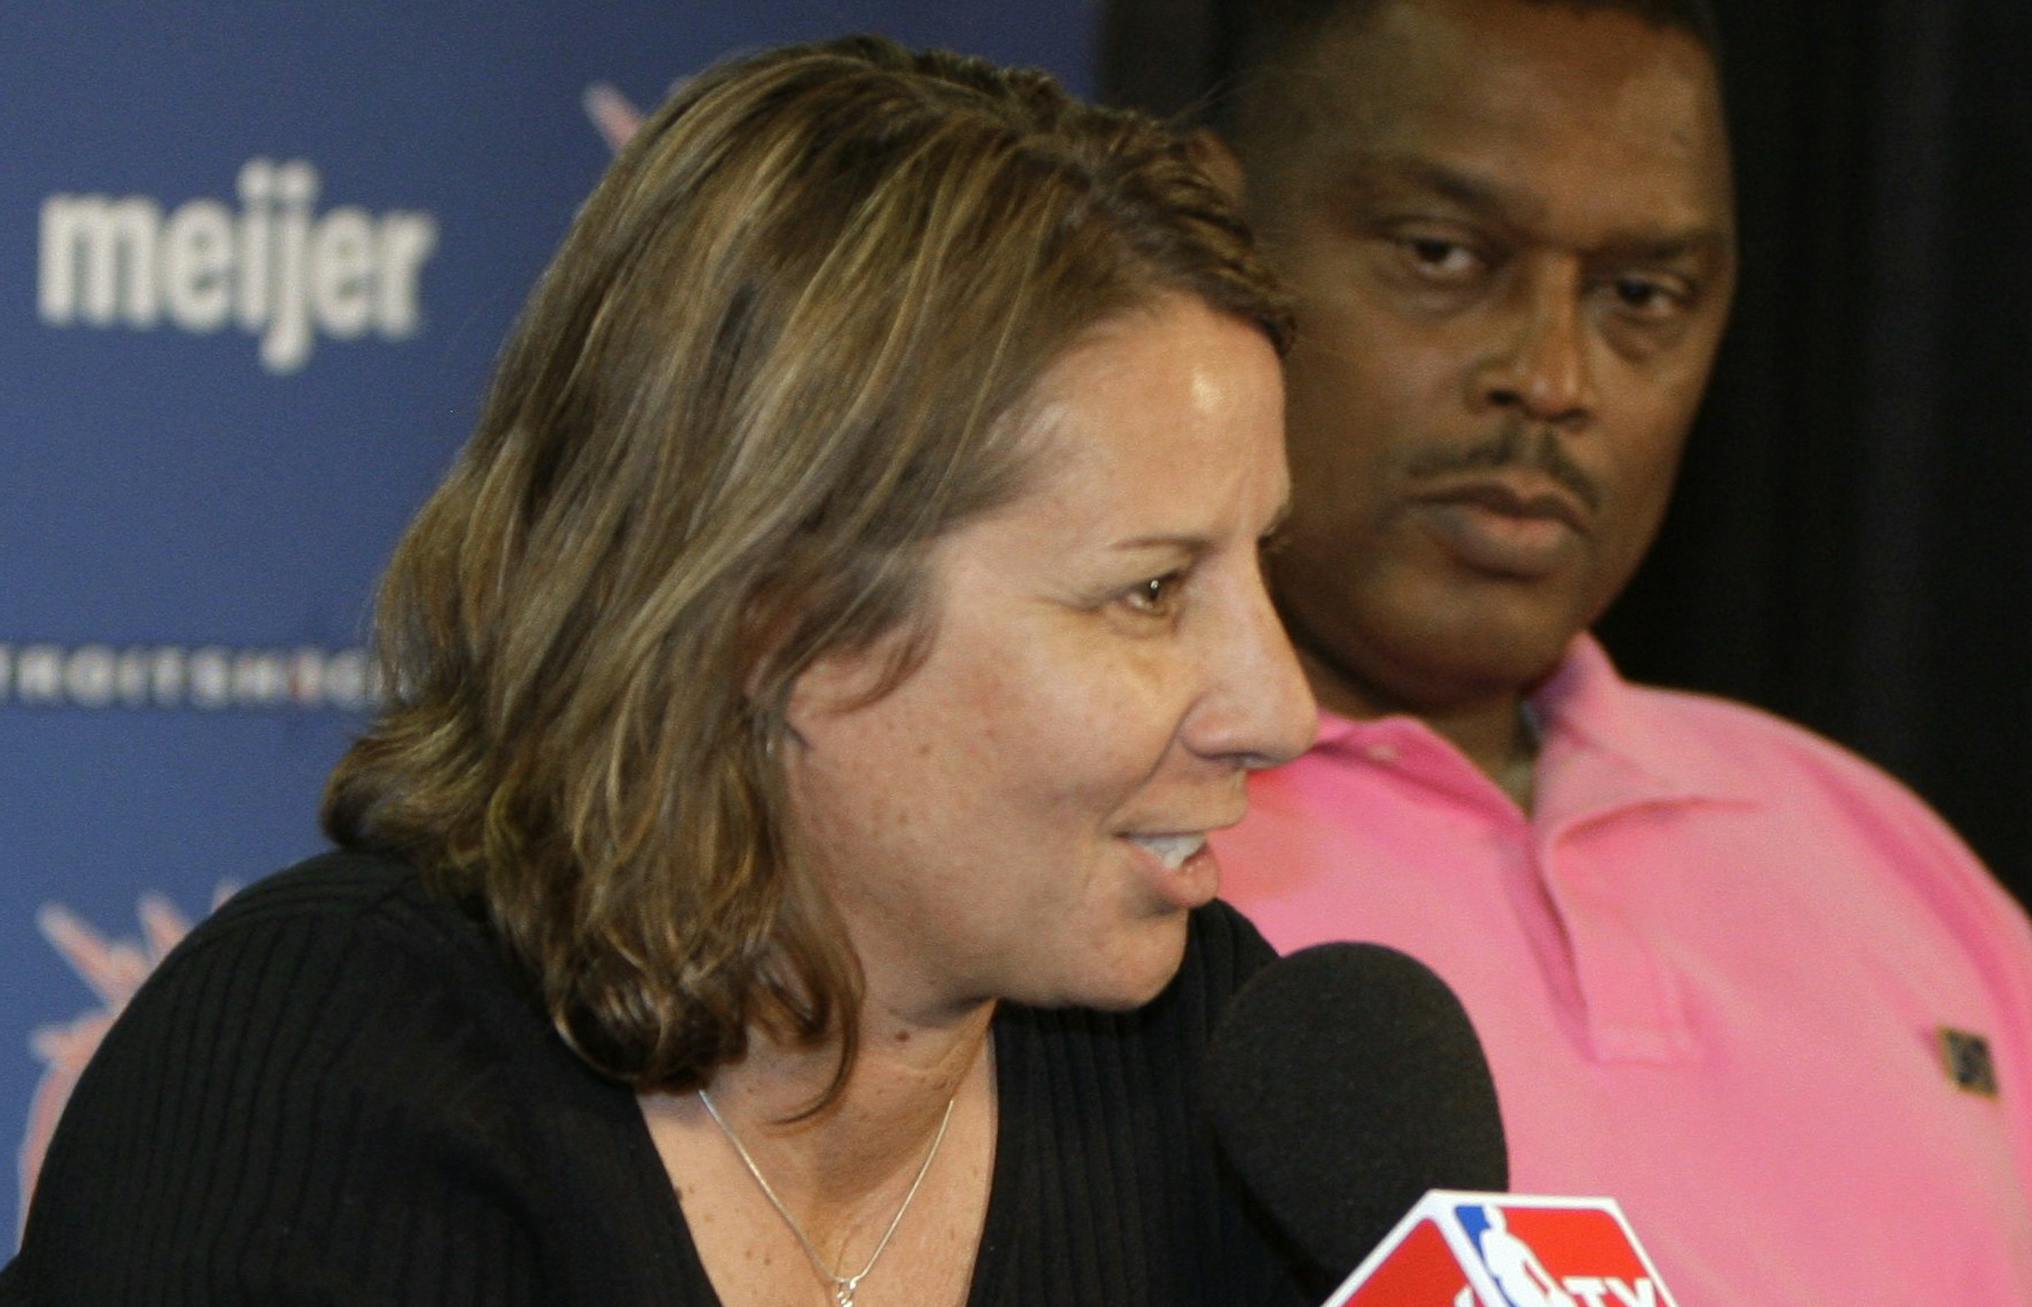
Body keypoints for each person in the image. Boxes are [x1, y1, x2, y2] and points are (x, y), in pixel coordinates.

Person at [4, 35, 1319, 1305]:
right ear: (776, 617)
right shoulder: (324, 1072)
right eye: (1150, 591)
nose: (1281, 707)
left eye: (1262, 564)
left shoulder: (1222, 1073)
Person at [1190, 0, 2032, 1301]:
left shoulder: (1899, 871)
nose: (1551, 375)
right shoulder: (1087, 862)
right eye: (1442, 254)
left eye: (1640, 295)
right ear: (1216, 243)